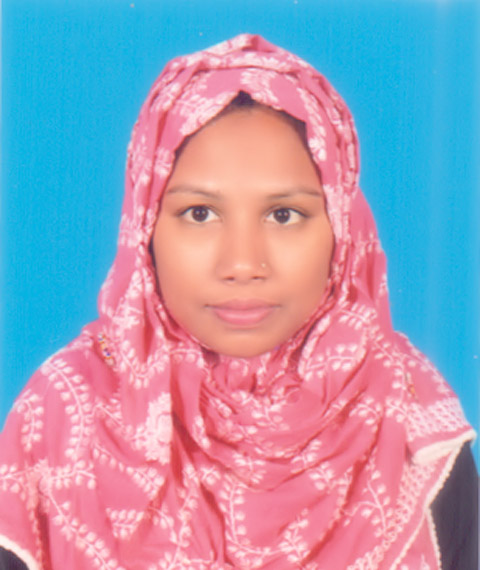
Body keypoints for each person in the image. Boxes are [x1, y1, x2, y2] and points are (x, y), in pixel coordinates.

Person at [0, 34, 477, 570]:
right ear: (145, 227)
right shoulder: (61, 417)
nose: (243, 263)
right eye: (200, 213)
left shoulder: (409, 418)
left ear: (341, 230)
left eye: (284, 215)